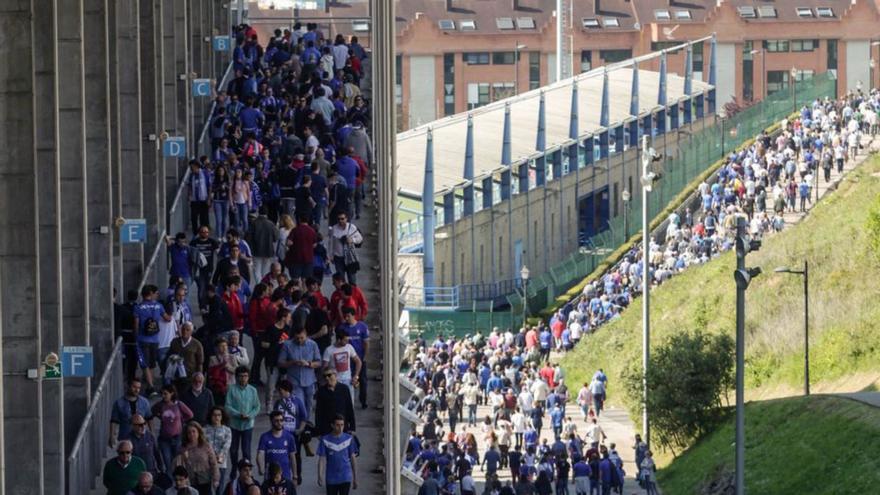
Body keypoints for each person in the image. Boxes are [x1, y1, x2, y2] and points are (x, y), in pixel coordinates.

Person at [277, 326, 322, 417]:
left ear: (306, 335)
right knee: (299, 404)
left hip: (309, 380)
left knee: (309, 404)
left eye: (302, 338)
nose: (300, 340)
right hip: (294, 380)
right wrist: (293, 362)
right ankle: (300, 424)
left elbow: (319, 362)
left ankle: (307, 423)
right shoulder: (287, 345)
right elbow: (280, 362)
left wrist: (309, 364)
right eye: (297, 338)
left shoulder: (313, 345)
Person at [151, 384, 194, 477]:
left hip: (177, 438)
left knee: (177, 463)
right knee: (168, 463)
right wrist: (159, 417)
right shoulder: (160, 405)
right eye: (162, 394)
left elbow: (190, 414)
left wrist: (181, 420)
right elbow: (152, 411)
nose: (163, 396)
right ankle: (169, 484)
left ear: (172, 393)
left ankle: (178, 482)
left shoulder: (178, 404)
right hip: (164, 438)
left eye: (165, 394)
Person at [225, 366, 261, 469]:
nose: (243, 378)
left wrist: (250, 415)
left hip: (248, 425)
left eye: (245, 376)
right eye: (241, 376)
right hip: (234, 425)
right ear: (236, 377)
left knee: (246, 450)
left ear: (248, 377)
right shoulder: (231, 389)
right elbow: (227, 406)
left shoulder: (253, 390)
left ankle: (247, 470)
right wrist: (238, 414)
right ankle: (234, 469)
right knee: (233, 450)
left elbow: (257, 406)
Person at [174, 422, 220, 495]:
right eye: (189, 432)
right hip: (190, 481)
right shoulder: (183, 448)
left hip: (205, 479)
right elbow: (179, 466)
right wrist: (184, 457)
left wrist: (216, 479)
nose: (191, 434)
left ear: (199, 432)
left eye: (194, 431)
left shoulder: (206, 446)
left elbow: (214, 463)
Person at [317, 414, 358, 495]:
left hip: (345, 477)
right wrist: (319, 475)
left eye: (342, 425)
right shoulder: (325, 440)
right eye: (337, 425)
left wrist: (355, 478)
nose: (340, 428)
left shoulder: (349, 439)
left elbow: (353, 458)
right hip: (331, 479)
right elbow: (321, 459)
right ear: (332, 425)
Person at [337, 307, 369, 409]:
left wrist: (365, 356)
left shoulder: (362, 327)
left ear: (353, 315)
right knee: (349, 380)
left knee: (362, 380)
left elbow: (366, 343)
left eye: (348, 316)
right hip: (346, 360)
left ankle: (363, 400)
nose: (346, 318)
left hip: (359, 358)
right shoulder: (342, 328)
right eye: (345, 316)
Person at [256, 411, 298, 483]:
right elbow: (260, 454)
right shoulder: (265, 437)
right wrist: (261, 468)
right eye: (276, 420)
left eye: (281, 420)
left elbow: (293, 458)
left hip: (286, 476)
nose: (279, 423)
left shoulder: (289, 437)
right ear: (271, 421)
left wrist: (295, 476)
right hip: (270, 476)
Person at [110, 378, 153, 448]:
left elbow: (149, 418)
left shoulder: (144, 402)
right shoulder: (119, 403)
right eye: (134, 387)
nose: (137, 390)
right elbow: (114, 420)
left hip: (141, 437)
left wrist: (152, 433)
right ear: (128, 386)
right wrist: (111, 436)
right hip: (125, 437)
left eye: (139, 388)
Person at [321, 328, 362, 401]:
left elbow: (358, 362)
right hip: (335, 381)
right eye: (345, 340)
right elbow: (324, 367)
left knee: (349, 403)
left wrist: (356, 376)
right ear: (339, 340)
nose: (347, 342)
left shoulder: (349, 347)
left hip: (348, 380)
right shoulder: (329, 350)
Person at [314, 368, 356, 435]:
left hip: (342, 427)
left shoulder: (344, 389)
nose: (327, 378)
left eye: (329, 375)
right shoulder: (321, 391)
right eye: (325, 376)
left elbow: (349, 408)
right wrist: (318, 431)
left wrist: (352, 428)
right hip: (327, 428)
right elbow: (318, 412)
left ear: (335, 375)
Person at [204, 407, 233, 495]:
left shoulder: (227, 430)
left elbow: (227, 445)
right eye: (214, 415)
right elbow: (203, 444)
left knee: (219, 489)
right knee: (207, 489)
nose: (216, 417)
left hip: (221, 463)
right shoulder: (204, 430)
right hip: (207, 463)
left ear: (222, 417)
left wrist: (219, 455)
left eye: (219, 415)